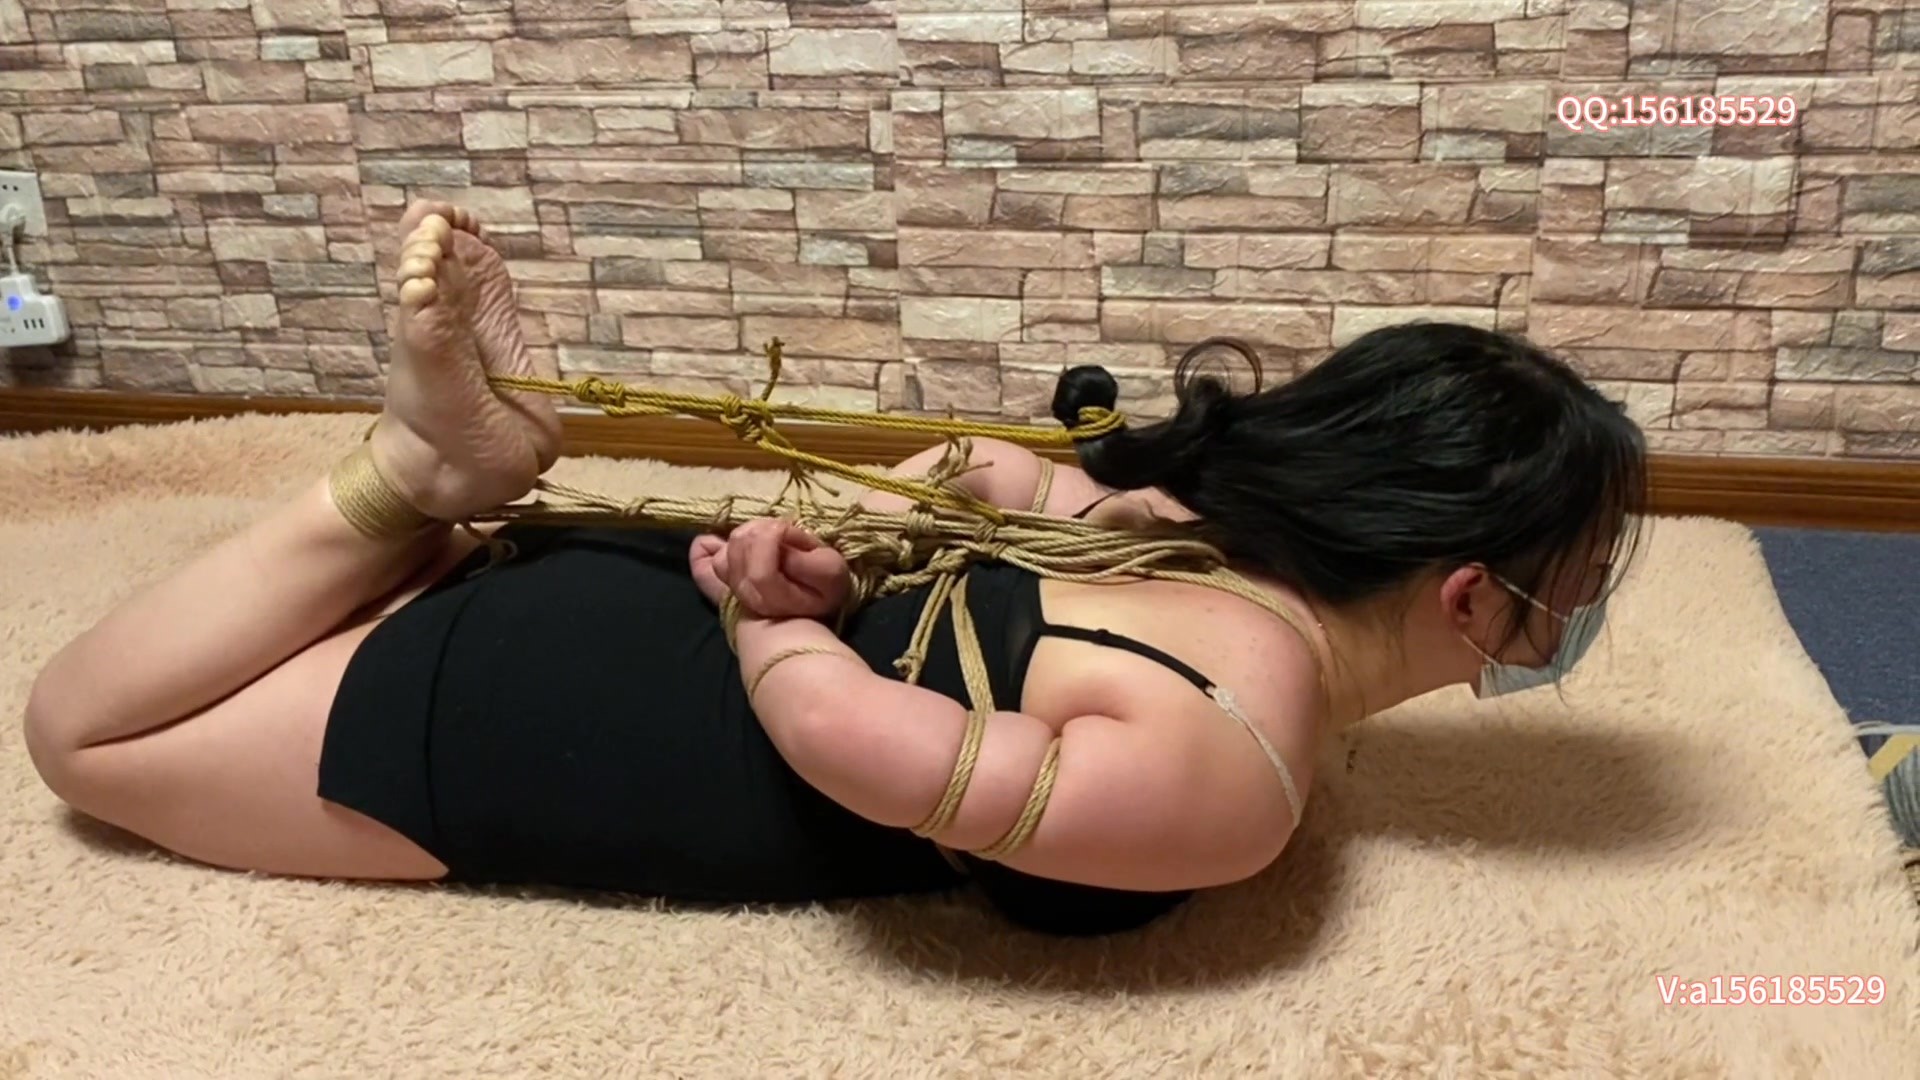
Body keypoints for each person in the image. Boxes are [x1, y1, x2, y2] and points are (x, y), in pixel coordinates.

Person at [22, 202, 1648, 936]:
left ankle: (428, 499)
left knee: (291, 632)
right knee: (83, 740)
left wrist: (838, 554)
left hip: (628, 575)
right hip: (601, 730)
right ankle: (414, 478)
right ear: (1467, 596)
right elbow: (853, 744)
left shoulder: (1183, 532)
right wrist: (772, 627)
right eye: (1570, 584)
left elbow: (980, 472)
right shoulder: (1245, 768)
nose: (1573, 620)